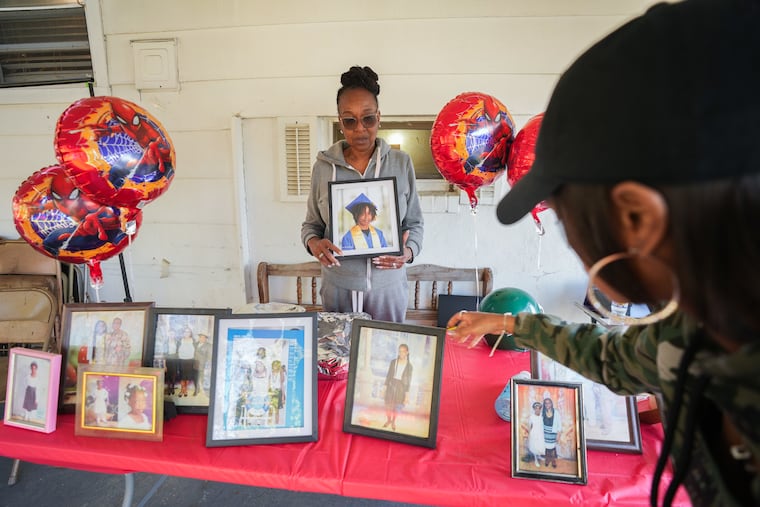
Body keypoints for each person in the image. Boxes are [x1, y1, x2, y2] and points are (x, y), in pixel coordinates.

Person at [447, 1, 760, 505]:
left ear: (637, 219)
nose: (569, 237)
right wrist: (507, 324)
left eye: (561, 214)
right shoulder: (692, 330)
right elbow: (611, 359)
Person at [301, 65, 424, 322]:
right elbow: (311, 226)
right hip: (338, 289)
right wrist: (314, 244)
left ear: (379, 117)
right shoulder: (323, 168)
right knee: (341, 359)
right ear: (340, 122)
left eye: (368, 118)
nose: (360, 129)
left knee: (386, 354)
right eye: (349, 120)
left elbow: (415, 223)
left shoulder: (401, 164)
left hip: (388, 290)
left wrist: (407, 252)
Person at [383, 343, 412, 431]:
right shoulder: (393, 362)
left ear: (407, 352)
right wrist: (384, 387)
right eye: (400, 351)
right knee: (388, 404)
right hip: (391, 384)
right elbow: (388, 375)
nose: (401, 353)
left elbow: (408, 382)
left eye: (403, 351)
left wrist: (407, 395)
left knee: (396, 406)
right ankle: (388, 420)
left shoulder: (409, 367)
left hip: (401, 387)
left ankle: (393, 422)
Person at [541, 396, 561, 468]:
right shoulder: (542, 412)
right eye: (546, 403)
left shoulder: (556, 412)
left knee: (552, 448)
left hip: (553, 433)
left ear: (551, 404)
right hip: (545, 433)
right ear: (544, 405)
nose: (547, 405)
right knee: (546, 448)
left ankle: (553, 461)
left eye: (549, 403)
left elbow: (559, 424)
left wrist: (558, 435)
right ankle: (547, 460)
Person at [523, 401, 545, 468]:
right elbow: (530, 426)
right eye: (536, 408)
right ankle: (536, 460)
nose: (537, 409)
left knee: (540, 446)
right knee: (535, 446)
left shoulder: (542, 416)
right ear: (534, 409)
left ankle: (539, 456)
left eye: (539, 408)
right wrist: (530, 434)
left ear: (540, 409)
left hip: (541, 433)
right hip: (534, 433)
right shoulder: (531, 417)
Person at [176, 327, 196, 397]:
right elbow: (177, 351)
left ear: (190, 333)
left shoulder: (193, 341)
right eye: (185, 331)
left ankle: (185, 389)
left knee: (187, 377)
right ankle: (182, 389)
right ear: (183, 333)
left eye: (188, 332)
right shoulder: (179, 341)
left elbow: (196, 351)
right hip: (181, 360)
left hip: (190, 361)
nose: (187, 333)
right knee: (182, 376)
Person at [268, 359, 286, 425]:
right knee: (270, 409)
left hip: (278, 392)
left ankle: (276, 424)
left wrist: (283, 396)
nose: (275, 366)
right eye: (274, 365)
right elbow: (268, 384)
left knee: (276, 411)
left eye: (276, 365)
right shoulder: (270, 373)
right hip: (271, 392)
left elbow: (282, 385)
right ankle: (269, 424)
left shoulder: (280, 373)